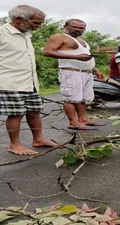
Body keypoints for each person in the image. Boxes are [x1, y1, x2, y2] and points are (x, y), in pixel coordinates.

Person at [0, 5, 57, 155]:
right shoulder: (2, 33)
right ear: (18, 19)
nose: (40, 26)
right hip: (10, 81)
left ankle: (38, 139)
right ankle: (14, 145)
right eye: (37, 23)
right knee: (15, 113)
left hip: (30, 81)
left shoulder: (26, 34)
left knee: (34, 111)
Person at [43, 19, 105, 130]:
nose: (78, 30)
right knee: (70, 98)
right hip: (71, 72)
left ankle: (82, 119)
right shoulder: (59, 37)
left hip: (86, 73)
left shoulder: (82, 41)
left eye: (81, 28)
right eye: (75, 27)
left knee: (82, 98)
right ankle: (73, 122)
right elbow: (47, 52)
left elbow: (86, 56)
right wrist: (75, 57)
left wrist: (95, 70)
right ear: (66, 26)